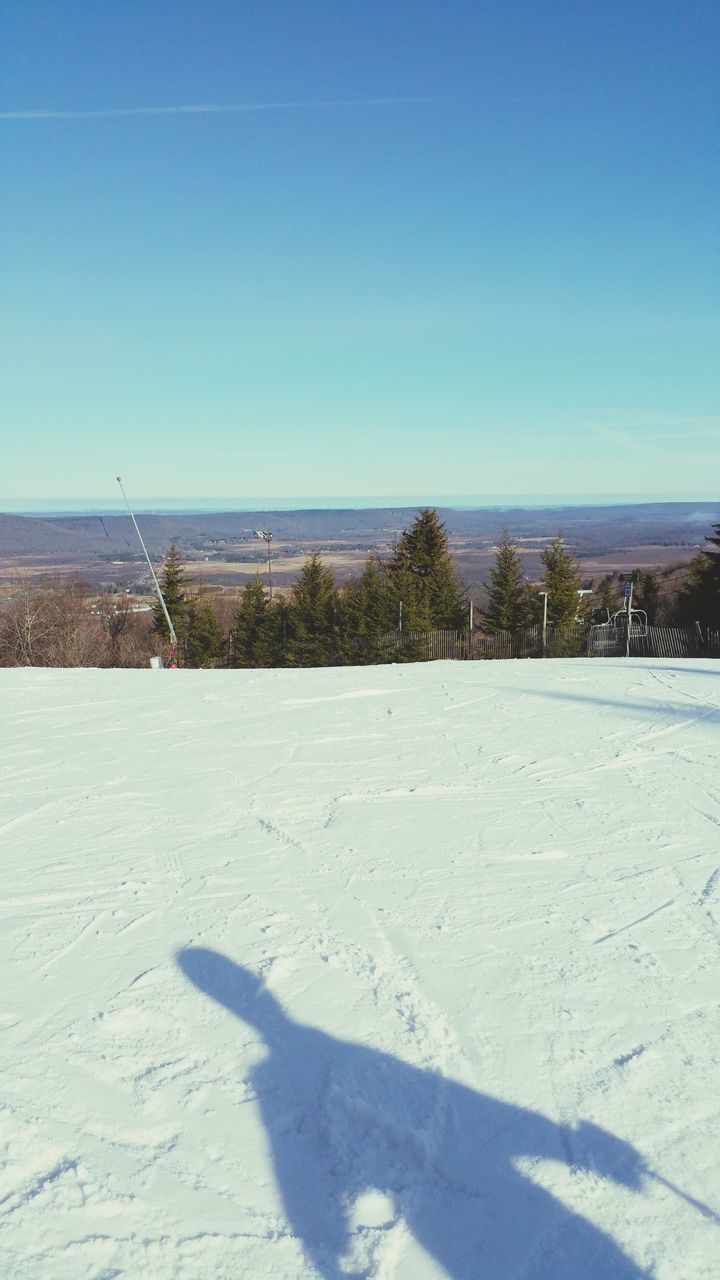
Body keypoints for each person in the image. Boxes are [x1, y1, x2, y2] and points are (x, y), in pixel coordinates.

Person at [178, 947, 652, 1279]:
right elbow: (289, 1165)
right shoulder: (286, 1069)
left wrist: (568, 1145)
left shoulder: (298, 1063)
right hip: (461, 1238)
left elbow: (481, 1111)